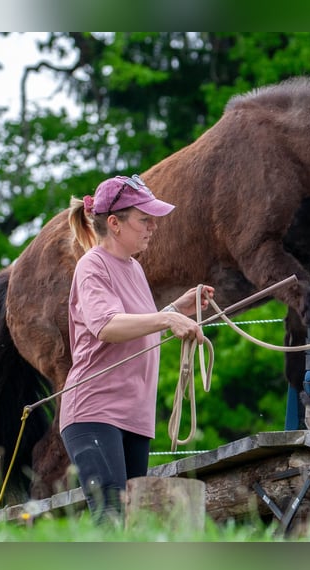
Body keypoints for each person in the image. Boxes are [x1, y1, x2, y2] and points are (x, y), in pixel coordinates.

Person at [62, 174, 215, 524]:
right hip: (94, 411)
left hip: (134, 416)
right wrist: (166, 321)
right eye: (144, 220)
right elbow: (107, 326)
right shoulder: (92, 265)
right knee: (111, 515)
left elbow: (138, 326)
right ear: (114, 223)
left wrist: (176, 310)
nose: (153, 227)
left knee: (131, 521)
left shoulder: (134, 269)